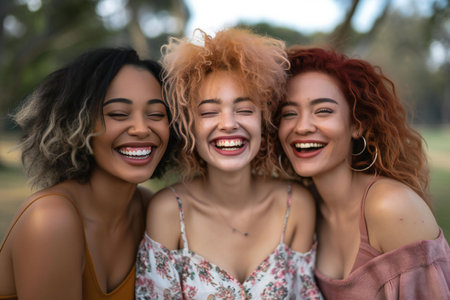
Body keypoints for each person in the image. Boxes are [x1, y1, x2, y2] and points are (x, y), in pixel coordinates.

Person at [135, 28, 323, 299]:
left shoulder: (295, 205)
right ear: (188, 125)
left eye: (245, 109)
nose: (228, 124)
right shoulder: (168, 212)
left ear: (264, 119)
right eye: (209, 112)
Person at [276, 46, 450, 299]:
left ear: (357, 124)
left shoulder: (391, 207)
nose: (302, 127)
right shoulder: (302, 209)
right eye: (289, 113)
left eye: (323, 110)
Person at [0, 47, 173, 300]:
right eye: (118, 114)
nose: (141, 129)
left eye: (157, 114)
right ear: (76, 124)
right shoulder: (50, 220)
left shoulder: (154, 212)